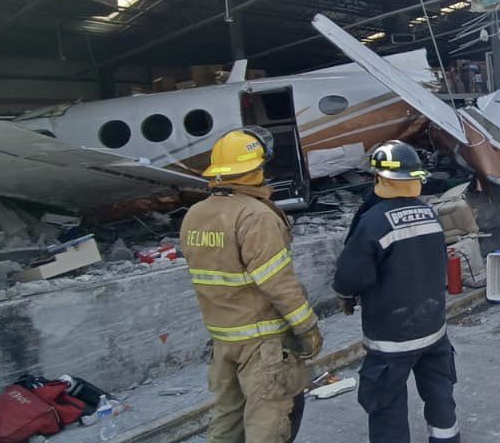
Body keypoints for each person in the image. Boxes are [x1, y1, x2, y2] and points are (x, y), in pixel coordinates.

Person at [180, 127, 323, 443]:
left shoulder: (195, 215)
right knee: (268, 424)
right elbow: (279, 284)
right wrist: (308, 329)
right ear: (258, 167)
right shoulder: (255, 216)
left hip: (223, 340)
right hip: (263, 343)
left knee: (226, 422)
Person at [333, 141, 459, 443]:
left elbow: (350, 277)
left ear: (380, 179)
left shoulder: (373, 221)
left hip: (391, 338)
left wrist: (345, 295)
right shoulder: (430, 215)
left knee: (386, 406)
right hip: (433, 329)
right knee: (440, 396)